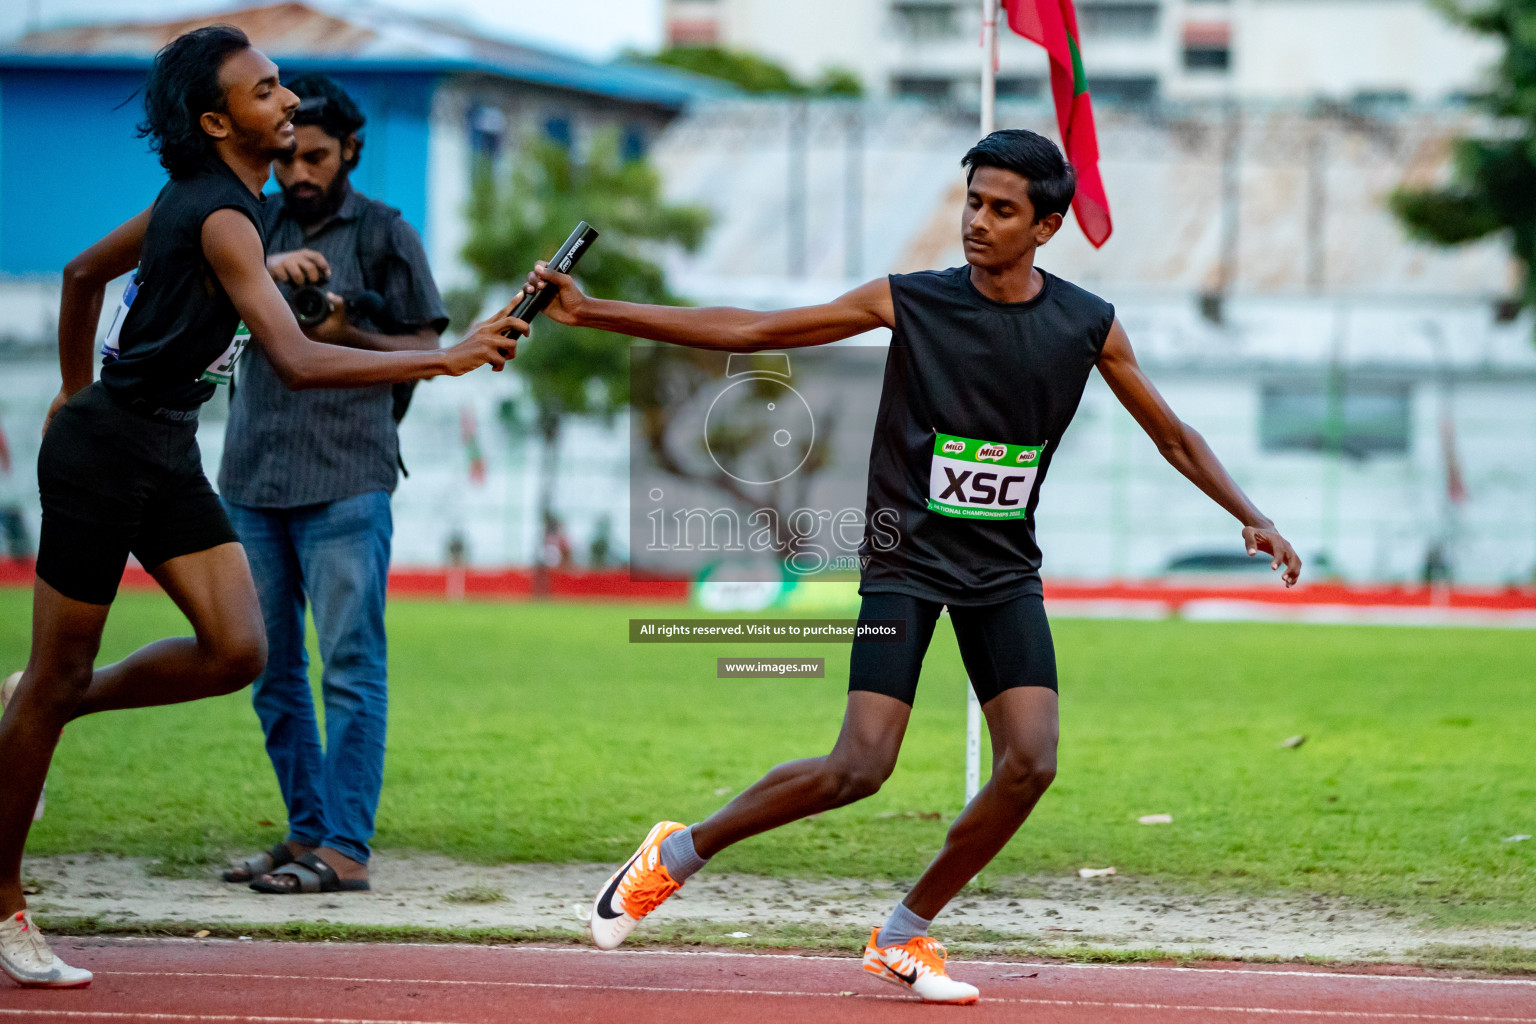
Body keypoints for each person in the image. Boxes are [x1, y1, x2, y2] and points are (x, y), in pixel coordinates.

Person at [523, 129, 1302, 1005]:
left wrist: (1252, 517)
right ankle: (679, 850)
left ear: (1045, 226)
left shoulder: (1087, 323)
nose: (977, 221)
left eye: (1001, 209)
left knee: (1031, 764)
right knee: (859, 767)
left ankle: (905, 933)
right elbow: (754, 328)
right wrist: (594, 313)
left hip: (1003, 568)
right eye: (972, 201)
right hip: (906, 560)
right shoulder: (911, 301)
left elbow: (1172, 434)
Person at [0, 26, 525, 989]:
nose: (288, 102)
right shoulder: (222, 217)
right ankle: (6, 906)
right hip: (107, 454)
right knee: (64, 669)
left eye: (282, 87)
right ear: (217, 121)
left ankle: (39, 697)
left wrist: (74, 385)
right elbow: (297, 359)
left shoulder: (219, 204)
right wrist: (443, 358)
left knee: (239, 652)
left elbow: (83, 277)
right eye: (268, 91)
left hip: (165, 446)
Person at [217, 73, 448, 896]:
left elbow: (428, 348)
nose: (297, 173)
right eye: (286, 158)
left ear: (351, 149)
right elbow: (196, 300)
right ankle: (306, 831)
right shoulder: (248, 224)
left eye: (315, 156)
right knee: (268, 667)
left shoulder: (388, 233)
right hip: (249, 476)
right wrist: (266, 267)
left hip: (349, 477)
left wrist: (351, 330)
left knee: (349, 663)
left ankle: (345, 847)